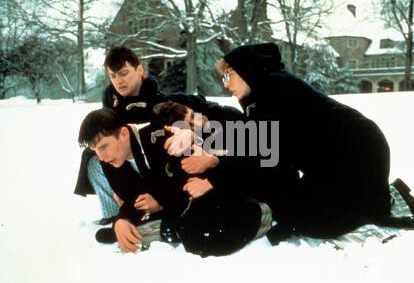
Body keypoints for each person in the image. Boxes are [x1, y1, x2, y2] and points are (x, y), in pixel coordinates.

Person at [169, 42, 414, 245]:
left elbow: (261, 151)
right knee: (290, 203)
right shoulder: (265, 93)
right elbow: (256, 142)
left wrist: (215, 178)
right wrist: (204, 136)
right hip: (339, 159)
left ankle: (385, 199)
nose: (225, 84)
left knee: (308, 218)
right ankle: (378, 198)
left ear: (247, 71)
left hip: (355, 156)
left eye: (229, 75)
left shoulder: (273, 92)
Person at [78, 108, 272, 257]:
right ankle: (167, 228)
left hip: (218, 184)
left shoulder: (159, 136)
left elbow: (184, 181)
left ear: (124, 133)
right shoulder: (111, 161)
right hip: (179, 205)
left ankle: (257, 215)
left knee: (200, 237)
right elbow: (134, 199)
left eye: (104, 147)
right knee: (191, 233)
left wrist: (160, 201)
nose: (101, 157)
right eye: (96, 151)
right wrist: (122, 220)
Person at [74, 46, 206, 225]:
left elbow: (205, 113)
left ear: (139, 70)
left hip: (167, 168)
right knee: (94, 157)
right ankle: (117, 213)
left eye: (124, 73)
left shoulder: (162, 101)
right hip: (132, 168)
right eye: (113, 76)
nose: (119, 81)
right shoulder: (112, 110)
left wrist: (190, 130)